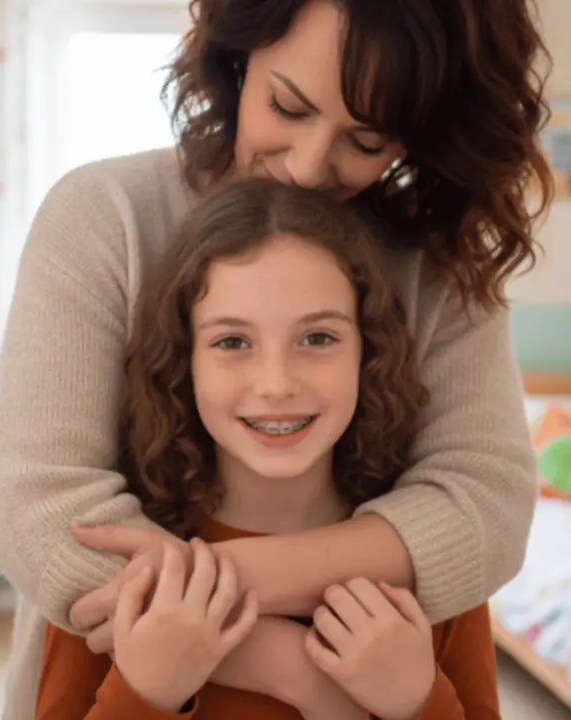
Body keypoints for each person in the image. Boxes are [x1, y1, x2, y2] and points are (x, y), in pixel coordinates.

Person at [0, 0, 552, 716]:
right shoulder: (105, 215)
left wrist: (211, 590)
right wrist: (291, 668)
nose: (311, 169)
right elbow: (41, 514)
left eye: (368, 139)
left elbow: (486, 514)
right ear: (236, 56)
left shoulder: (436, 261)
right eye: (288, 107)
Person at [35, 178, 501, 720]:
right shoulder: (123, 562)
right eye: (232, 342)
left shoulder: (428, 554)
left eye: (318, 338)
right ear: (185, 360)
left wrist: (419, 704)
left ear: (368, 350)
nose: (276, 383)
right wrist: (147, 693)